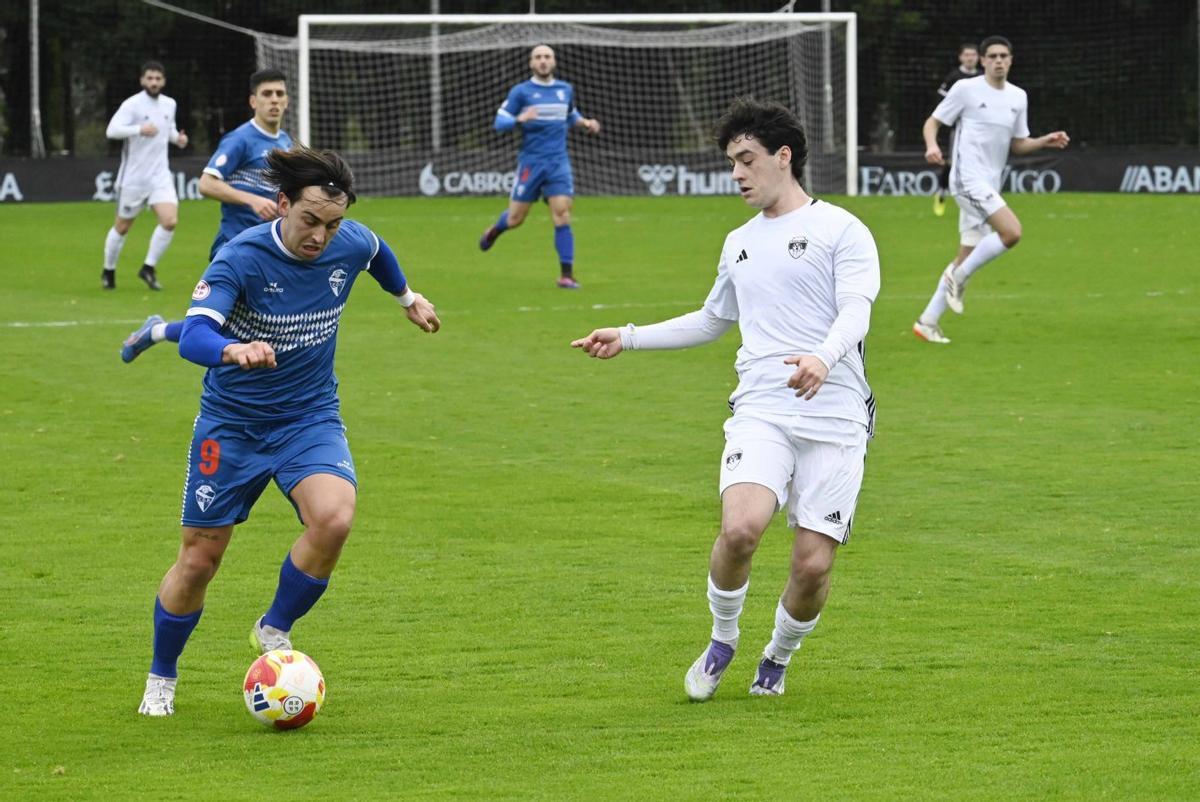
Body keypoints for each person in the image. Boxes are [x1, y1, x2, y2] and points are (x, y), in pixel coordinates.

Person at [571, 98, 880, 701]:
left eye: (746, 159)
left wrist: (823, 357)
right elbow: (713, 319)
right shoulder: (739, 241)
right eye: (731, 162)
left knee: (813, 565)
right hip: (761, 408)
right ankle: (722, 640)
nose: (736, 173)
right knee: (740, 530)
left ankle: (778, 656)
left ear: (783, 156)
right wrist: (627, 336)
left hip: (836, 413)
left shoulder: (842, 229)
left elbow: (856, 310)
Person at [137, 145, 441, 717]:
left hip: (309, 417)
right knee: (199, 560)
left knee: (335, 518)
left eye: (333, 224)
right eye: (309, 220)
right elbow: (198, 336)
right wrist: (232, 349)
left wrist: (407, 297)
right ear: (282, 204)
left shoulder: (349, 241)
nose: (320, 236)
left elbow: (377, 252)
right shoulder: (240, 258)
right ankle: (162, 676)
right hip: (231, 426)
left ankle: (274, 627)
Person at [120, 69, 294, 363]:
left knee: (238, 326)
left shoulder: (287, 142)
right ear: (253, 101)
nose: (274, 100)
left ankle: (155, 331)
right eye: (267, 94)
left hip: (270, 250)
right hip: (235, 247)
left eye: (279, 94)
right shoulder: (240, 139)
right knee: (228, 326)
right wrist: (252, 200)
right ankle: (159, 334)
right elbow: (207, 183)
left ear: (287, 101)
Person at [913, 35, 1069, 344]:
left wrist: (1043, 141)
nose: (998, 61)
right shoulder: (965, 89)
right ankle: (958, 278)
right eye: (993, 56)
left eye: (1004, 56)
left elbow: (1018, 144)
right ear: (983, 60)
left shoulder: (1018, 97)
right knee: (1011, 232)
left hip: (990, 184)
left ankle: (927, 321)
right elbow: (933, 122)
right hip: (966, 181)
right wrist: (931, 145)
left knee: (968, 253)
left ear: (1011, 61)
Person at [478, 44, 601, 289]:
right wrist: (519, 118)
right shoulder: (521, 92)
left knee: (562, 214)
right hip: (531, 164)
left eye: (547, 56)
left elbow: (570, 114)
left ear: (553, 62)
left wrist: (585, 123)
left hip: (558, 162)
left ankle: (566, 275)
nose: (543, 61)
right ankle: (495, 230)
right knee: (515, 219)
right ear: (531, 63)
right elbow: (499, 122)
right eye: (538, 57)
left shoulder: (565, 89)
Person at [102, 60, 188, 291]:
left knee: (170, 221)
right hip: (134, 178)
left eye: (158, 79)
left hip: (160, 176)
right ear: (142, 80)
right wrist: (139, 129)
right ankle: (108, 270)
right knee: (122, 227)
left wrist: (178, 139)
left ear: (164, 81)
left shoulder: (170, 104)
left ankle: (148, 267)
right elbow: (112, 130)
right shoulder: (132, 105)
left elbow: (168, 130)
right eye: (150, 78)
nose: (154, 82)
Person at [932, 43, 981, 217]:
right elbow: (943, 101)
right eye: (967, 55)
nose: (970, 58)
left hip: (979, 128)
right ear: (961, 57)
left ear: (978, 58)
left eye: (973, 55)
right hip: (958, 128)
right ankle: (942, 191)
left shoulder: (983, 77)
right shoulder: (954, 77)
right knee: (952, 161)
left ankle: (976, 195)